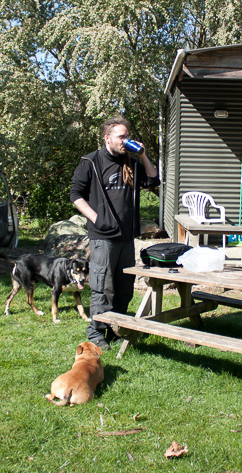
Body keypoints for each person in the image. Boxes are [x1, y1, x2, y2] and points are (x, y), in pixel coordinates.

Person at [70, 117, 160, 350]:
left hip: (126, 236)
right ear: (107, 138)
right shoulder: (91, 162)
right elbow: (76, 195)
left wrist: (142, 155)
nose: (125, 141)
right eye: (121, 137)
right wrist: (96, 219)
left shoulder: (131, 162)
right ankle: (96, 332)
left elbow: (153, 179)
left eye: (127, 136)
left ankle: (116, 327)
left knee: (124, 285)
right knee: (102, 285)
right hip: (103, 236)